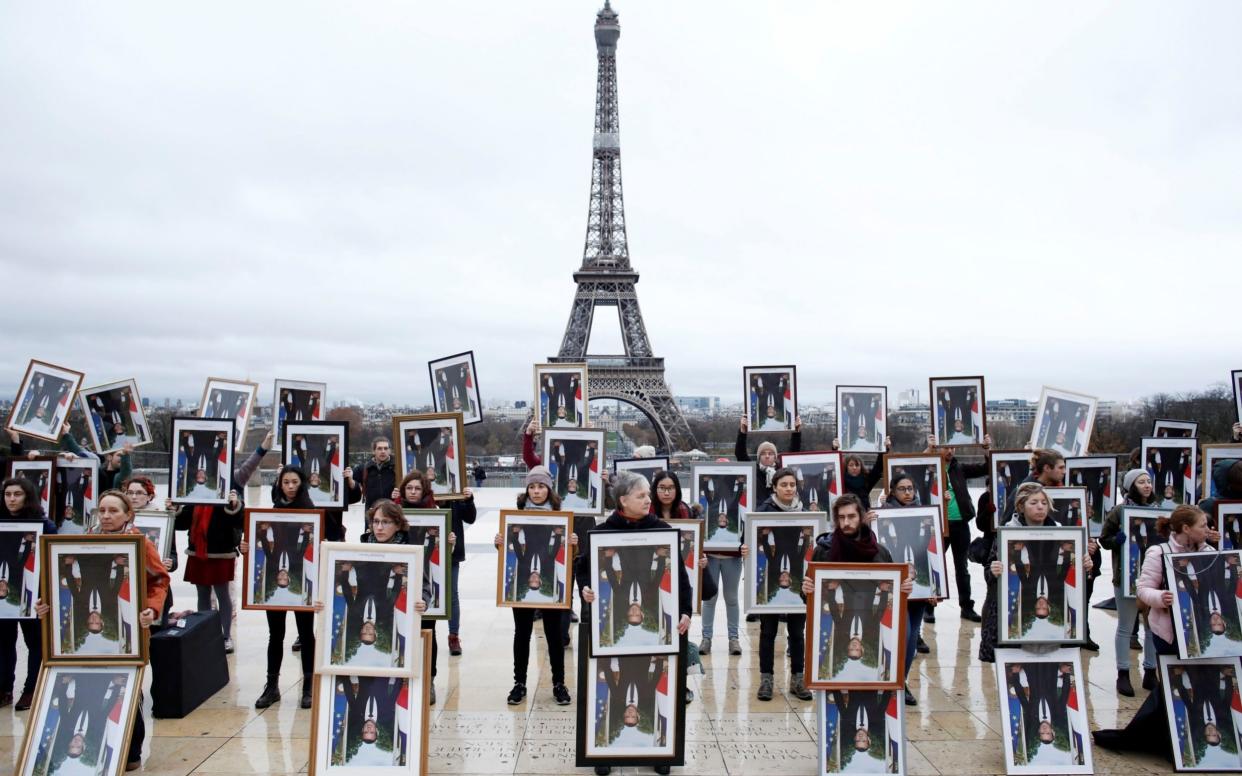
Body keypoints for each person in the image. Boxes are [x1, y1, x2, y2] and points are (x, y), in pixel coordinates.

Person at [36, 489, 169, 771]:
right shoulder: (84, 542)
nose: (106, 516)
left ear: (127, 514)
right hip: (88, 627)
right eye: (102, 511)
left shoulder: (140, 544)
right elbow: (64, 585)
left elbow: (159, 579)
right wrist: (46, 604)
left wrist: (152, 610)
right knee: (97, 686)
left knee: (130, 692)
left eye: (113, 511)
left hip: (127, 629)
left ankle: (132, 752)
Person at [578, 469, 691, 776]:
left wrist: (685, 611)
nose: (648, 500)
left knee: (653, 692)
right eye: (641, 495)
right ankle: (603, 755)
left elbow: (679, 575)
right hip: (614, 624)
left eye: (648, 495)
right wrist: (585, 589)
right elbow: (583, 569)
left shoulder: (663, 529)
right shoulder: (602, 532)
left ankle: (661, 753)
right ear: (623, 500)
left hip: (654, 628)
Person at [1094, 504, 1216, 760]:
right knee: (1176, 683)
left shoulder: (1210, 552)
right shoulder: (1159, 552)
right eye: (1203, 525)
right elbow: (1143, 589)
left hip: (1201, 631)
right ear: (1186, 528)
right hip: (1169, 632)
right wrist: (1162, 597)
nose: (1208, 530)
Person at [241, 464, 344, 710]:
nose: (289, 487)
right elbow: (264, 546)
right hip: (274, 581)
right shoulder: (273, 512)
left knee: (306, 634)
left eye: (294, 482)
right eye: (285, 482)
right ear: (279, 484)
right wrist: (246, 546)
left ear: (302, 484)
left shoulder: (314, 511)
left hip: (303, 581)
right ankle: (272, 685)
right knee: (275, 635)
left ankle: (308, 685)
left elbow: (334, 538)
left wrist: (321, 546)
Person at [801, 494, 914, 695]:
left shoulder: (879, 552)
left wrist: (902, 588)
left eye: (851, 516)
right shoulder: (824, 552)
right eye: (842, 517)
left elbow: (892, 592)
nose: (847, 522)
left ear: (861, 516)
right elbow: (810, 599)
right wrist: (807, 589)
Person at [173, 431, 270, 650]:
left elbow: (239, 520)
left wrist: (262, 448)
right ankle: (205, 632)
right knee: (202, 593)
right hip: (197, 549)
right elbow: (182, 523)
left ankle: (226, 636)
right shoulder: (192, 487)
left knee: (222, 593)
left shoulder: (231, 481)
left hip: (221, 548)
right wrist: (176, 509)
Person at [493, 466, 576, 708]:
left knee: (554, 635)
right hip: (523, 578)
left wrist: (573, 544)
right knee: (522, 633)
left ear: (548, 489)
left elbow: (568, 555)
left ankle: (559, 683)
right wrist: (499, 542)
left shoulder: (562, 515)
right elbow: (513, 552)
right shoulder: (516, 514)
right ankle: (519, 682)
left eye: (541, 486)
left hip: (551, 580)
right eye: (532, 486)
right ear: (527, 489)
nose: (536, 491)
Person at [982, 483, 1094, 661]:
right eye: (1033, 502)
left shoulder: (1062, 533)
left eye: (1043, 502)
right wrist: (994, 570)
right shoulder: (1007, 534)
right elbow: (989, 571)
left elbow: (1073, 572)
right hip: (1013, 626)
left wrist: (1085, 565)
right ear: (1021, 506)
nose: (1040, 506)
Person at [742, 467, 813, 702]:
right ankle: (766, 679)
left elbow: (817, 542)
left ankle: (797, 679)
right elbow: (748, 539)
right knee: (768, 632)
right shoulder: (762, 512)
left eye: (792, 484)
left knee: (797, 633)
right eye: (784, 485)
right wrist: (744, 548)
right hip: (772, 575)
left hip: (799, 576)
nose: (789, 489)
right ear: (774, 487)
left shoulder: (808, 513)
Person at [357, 500, 436, 699]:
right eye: (375, 522)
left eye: (385, 522)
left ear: (398, 524)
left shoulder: (411, 552)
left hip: (399, 620)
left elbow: (425, 586)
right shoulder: (359, 549)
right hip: (374, 618)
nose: (379, 527)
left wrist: (422, 601)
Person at [1099, 468, 1159, 696]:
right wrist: (1117, 540)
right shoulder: (1120, 510)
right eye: (1142, 482)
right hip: (1126, 576)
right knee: (1126, 626)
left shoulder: (1157, 510)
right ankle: (1123, 673)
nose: (1147, 485)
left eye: (1149, 481)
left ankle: (1151, 671)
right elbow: (1104, 539)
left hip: (1153, 577)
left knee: (1152, 626)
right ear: (1132, 485)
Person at [0, 476, 56, 710]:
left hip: (34, 594)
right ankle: (4, 689)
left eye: (17, 494)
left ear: (27, 496)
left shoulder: (44, 525)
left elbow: (52, 561)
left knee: (35, 643)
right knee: (2, 643)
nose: (11, 499)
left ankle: (31, 689)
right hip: (4, 591)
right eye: (7, 494)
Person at [928, 434, 990, 623]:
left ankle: (966, 607)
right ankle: (928, 607)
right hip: (938, 524)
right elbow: (911, 467)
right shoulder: (930, 467)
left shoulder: (959, 467)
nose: (950, 451)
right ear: (938, 448)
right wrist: (928, 450)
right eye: (946, 447)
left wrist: (986, 449)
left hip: (960, 524)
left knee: (961, 567)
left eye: (952, 448)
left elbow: (986, 468)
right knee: (934, 566)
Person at [122, 476, 178, 624]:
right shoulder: (116, 519)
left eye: (139, 493)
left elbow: (173, 556)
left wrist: (170, 562)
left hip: (154, 588)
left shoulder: (163, 519)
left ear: (150, 496)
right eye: (129, 492)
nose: (133, 497)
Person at [832, 435, 891, 509]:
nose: (854, 467)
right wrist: (835, 449)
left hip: (864, 517)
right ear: (846, 467)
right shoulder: (841, 481)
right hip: (847, 516)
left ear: (861, 467)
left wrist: (884, 449)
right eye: (851, 465)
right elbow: (835, 463)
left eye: (857, 465)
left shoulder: (866, 480)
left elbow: (878, 467)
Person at [346, 436, 398, 521]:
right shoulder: (364, 468)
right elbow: (351, 486)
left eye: (386, 448)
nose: (383, 451)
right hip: (371, 514)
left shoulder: (398, 467)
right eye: (379, 448)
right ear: (373, 451)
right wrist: (350, 479)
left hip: (393, 512)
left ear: (390, 450)